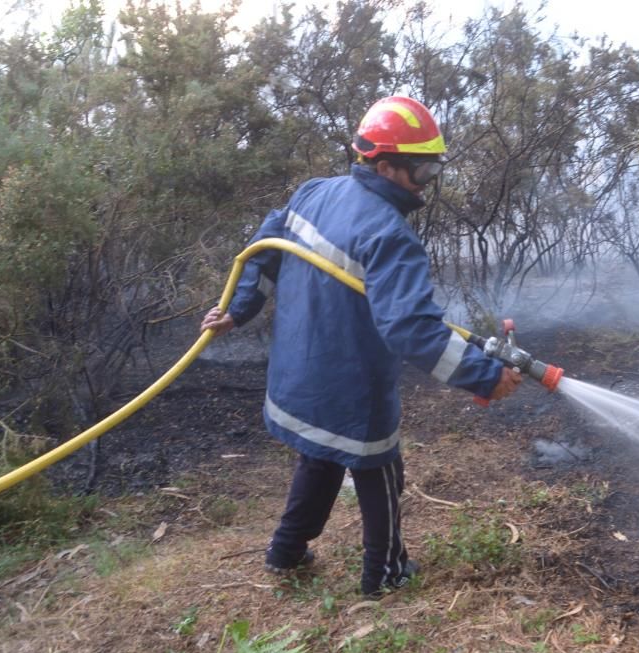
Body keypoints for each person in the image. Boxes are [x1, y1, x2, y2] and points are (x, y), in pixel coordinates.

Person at [200, 96, 522, 597]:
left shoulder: (315, 193)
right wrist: (485, 376)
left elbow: (262, 252)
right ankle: (386, 574)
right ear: (387, 165)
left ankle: (285, 554)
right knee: (378, 469)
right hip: (352, 386)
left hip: (298, 375)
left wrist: (240, 310)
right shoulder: (390, 235)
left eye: (433, 168)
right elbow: (411, 330)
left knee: (320, 455)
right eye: (423, 171)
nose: (427, 183)